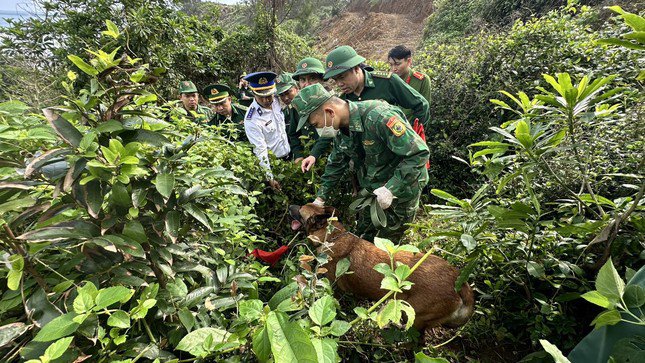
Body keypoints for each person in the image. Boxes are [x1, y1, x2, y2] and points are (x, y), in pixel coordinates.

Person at [292, 84, 429, 242]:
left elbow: (418, 153)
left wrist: (391, 189)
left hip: (402, 189)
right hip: (372, 189)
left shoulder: (379, 117)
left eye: (316, 125)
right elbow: (336, 163)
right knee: (362, 237)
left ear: (329, 112)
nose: (318, 130)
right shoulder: (339, 128)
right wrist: (320, 198)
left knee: (388, 244)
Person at [323, 45, 431, 135]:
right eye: (335, 80)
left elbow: (421, 105)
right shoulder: (344, 100)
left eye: (342, 77)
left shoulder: (386, 82)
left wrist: (409, 136)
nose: (339, 84)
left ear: (356, 69)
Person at [243, 71, 290, 190]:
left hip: (291, 156)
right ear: (253, 94)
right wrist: (270, 177)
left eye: (269, 95)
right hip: (275, 165)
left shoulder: (277, 100)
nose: (266, 100)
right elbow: (260, 150)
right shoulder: (252, 119)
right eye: (261, 97)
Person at [276, 72, 333, 170]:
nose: (285, 98)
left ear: (296, 88)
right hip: (310, 157)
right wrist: (298, 154)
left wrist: (314, 154)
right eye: (281, 95)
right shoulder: (294, 108)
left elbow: (329, 131)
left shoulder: (326, 101)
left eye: (288, 92)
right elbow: (293, 134)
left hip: (328, 153)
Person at [387, 45, 431, 123]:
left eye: (397, 64)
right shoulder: (388, 80)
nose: (394, 69)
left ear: (409, 61)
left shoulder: (422, 80)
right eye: (391, 64)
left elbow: (424, 110)